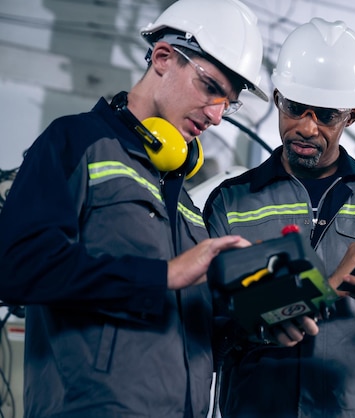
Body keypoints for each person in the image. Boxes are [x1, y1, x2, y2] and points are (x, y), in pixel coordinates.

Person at [0, 0, 268, 417]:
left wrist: (256, 321)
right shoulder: (74, 143)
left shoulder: (188, 211)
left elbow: (192, 340)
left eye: (228, 103)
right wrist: (163, 275)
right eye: (211, 87)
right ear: (163, 57)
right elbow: (16, 265)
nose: (217, 116)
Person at [203, 17, 355, 418]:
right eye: (295, 108)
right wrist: (326, 287)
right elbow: (212, 331)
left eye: (325, 115)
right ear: (277, 97)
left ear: (350, 115)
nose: (306, 127)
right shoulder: (230, 203)